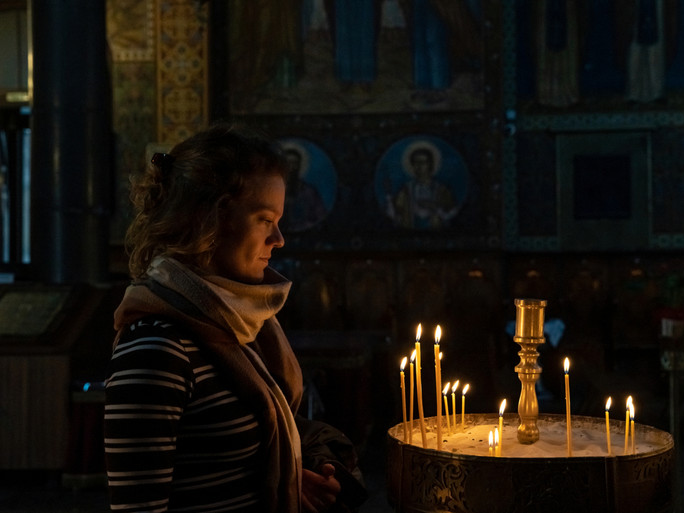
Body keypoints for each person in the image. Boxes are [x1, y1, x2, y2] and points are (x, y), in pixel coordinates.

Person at [104, 123, 366, 512]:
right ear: (211, 219)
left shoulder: (242, 324)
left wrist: (298, 477)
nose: (279, 239)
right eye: (264, 219)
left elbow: (235, 461)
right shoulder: (156, 351)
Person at [386, 144, 458, 229]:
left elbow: (452, 213)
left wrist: (435, 208)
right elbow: (395, 215)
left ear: (430, 165)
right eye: (415, 163)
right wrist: (389, 194)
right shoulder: (406, 190)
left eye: (423, 162)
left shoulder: (442, 190)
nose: (419, 166)